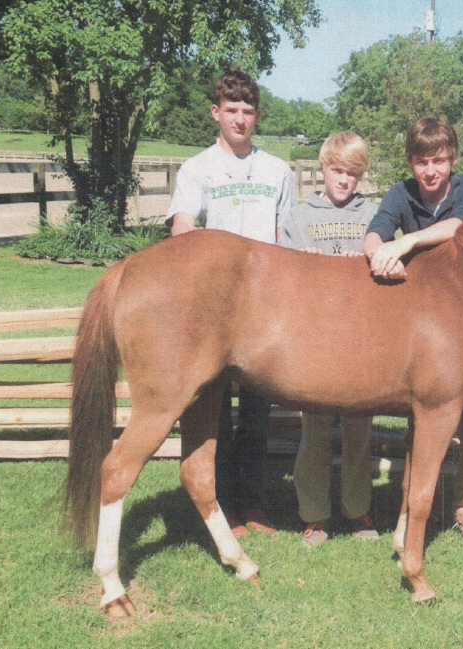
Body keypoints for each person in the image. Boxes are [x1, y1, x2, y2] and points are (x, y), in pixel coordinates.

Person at [166, 69, 296, 538]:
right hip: (214, 310)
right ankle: (220, 506)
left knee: (259, 415)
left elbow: (287, 240)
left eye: (248, 111)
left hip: (265, 312)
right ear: (215, 113)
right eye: (231, 111)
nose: (240, 119)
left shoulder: (277, 171)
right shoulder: (197, 169)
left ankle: (254, 503)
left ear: (256, 115)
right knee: (213, 412)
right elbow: (182, 230)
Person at [362, 117, 463, 548]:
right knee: (424, 417)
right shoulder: (401, 192)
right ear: (411, 163)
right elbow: (374, 232)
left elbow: (461, 228)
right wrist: (380, 250)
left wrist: (406, 243)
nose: (430, 171)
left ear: (452, 159)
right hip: (426, 322)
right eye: (422, 162)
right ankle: (409, 508)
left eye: (438, 160)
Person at [279, 131, 380, 547]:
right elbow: (285, 275)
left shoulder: (375, 215)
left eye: (353, 173)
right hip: (316, 338)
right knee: (315, 430)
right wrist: (307, 267)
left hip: (362, 337)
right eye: (337, 171)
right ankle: (314, 515)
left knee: (359, 429)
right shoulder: (299, 218)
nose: (344, 180)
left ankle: (358, 509)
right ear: (323, 169)